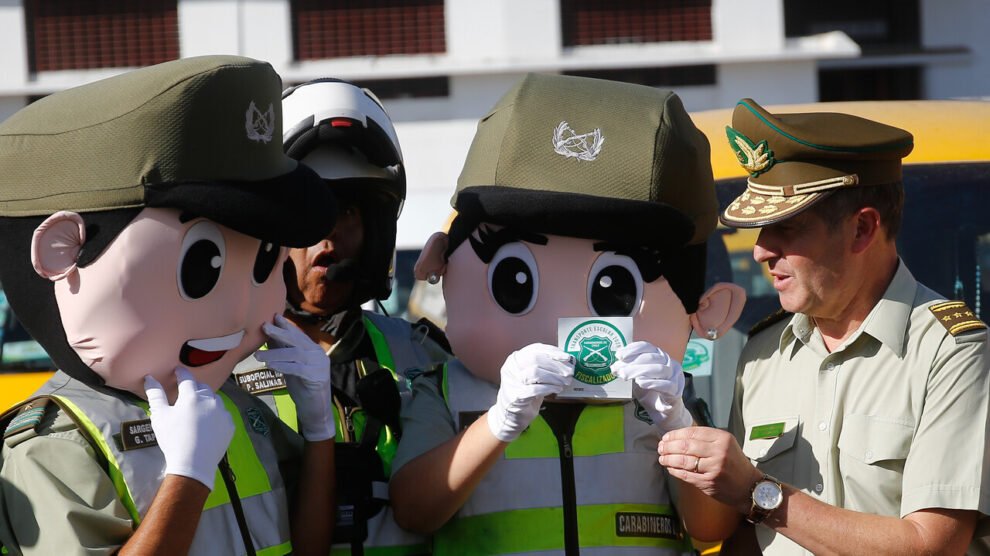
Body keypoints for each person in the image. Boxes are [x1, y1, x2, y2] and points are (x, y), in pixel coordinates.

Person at [390, 73, 745, 554]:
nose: (565, 320)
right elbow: (412, 510)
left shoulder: (660, 393)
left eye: (615, 288)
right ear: (438, 265)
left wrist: (678, 425)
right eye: (514, 280)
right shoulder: (444, 392)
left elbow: (710, 528)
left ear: (710, 308)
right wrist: (498, 422)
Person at [0, 56, 337, 555]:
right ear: (63, 251)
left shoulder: (235, 406)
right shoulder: (57, 444)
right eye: (203, 265)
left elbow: (310, 546)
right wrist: (187, 476)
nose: (238, 309)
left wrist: (318, 432)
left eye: (265, 262)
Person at [661, 98, 990, 554]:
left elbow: (932, 547)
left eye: (787, 227)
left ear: (862, 229)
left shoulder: (950, 352)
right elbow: (739, 537)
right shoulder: (764, 352)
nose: (760, 251)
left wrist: (757, 491)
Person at [233, 78, 449, 555]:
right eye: (307, 214)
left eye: (346, 210)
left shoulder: (427, 355)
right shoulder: (219, 373)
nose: (327, 236)